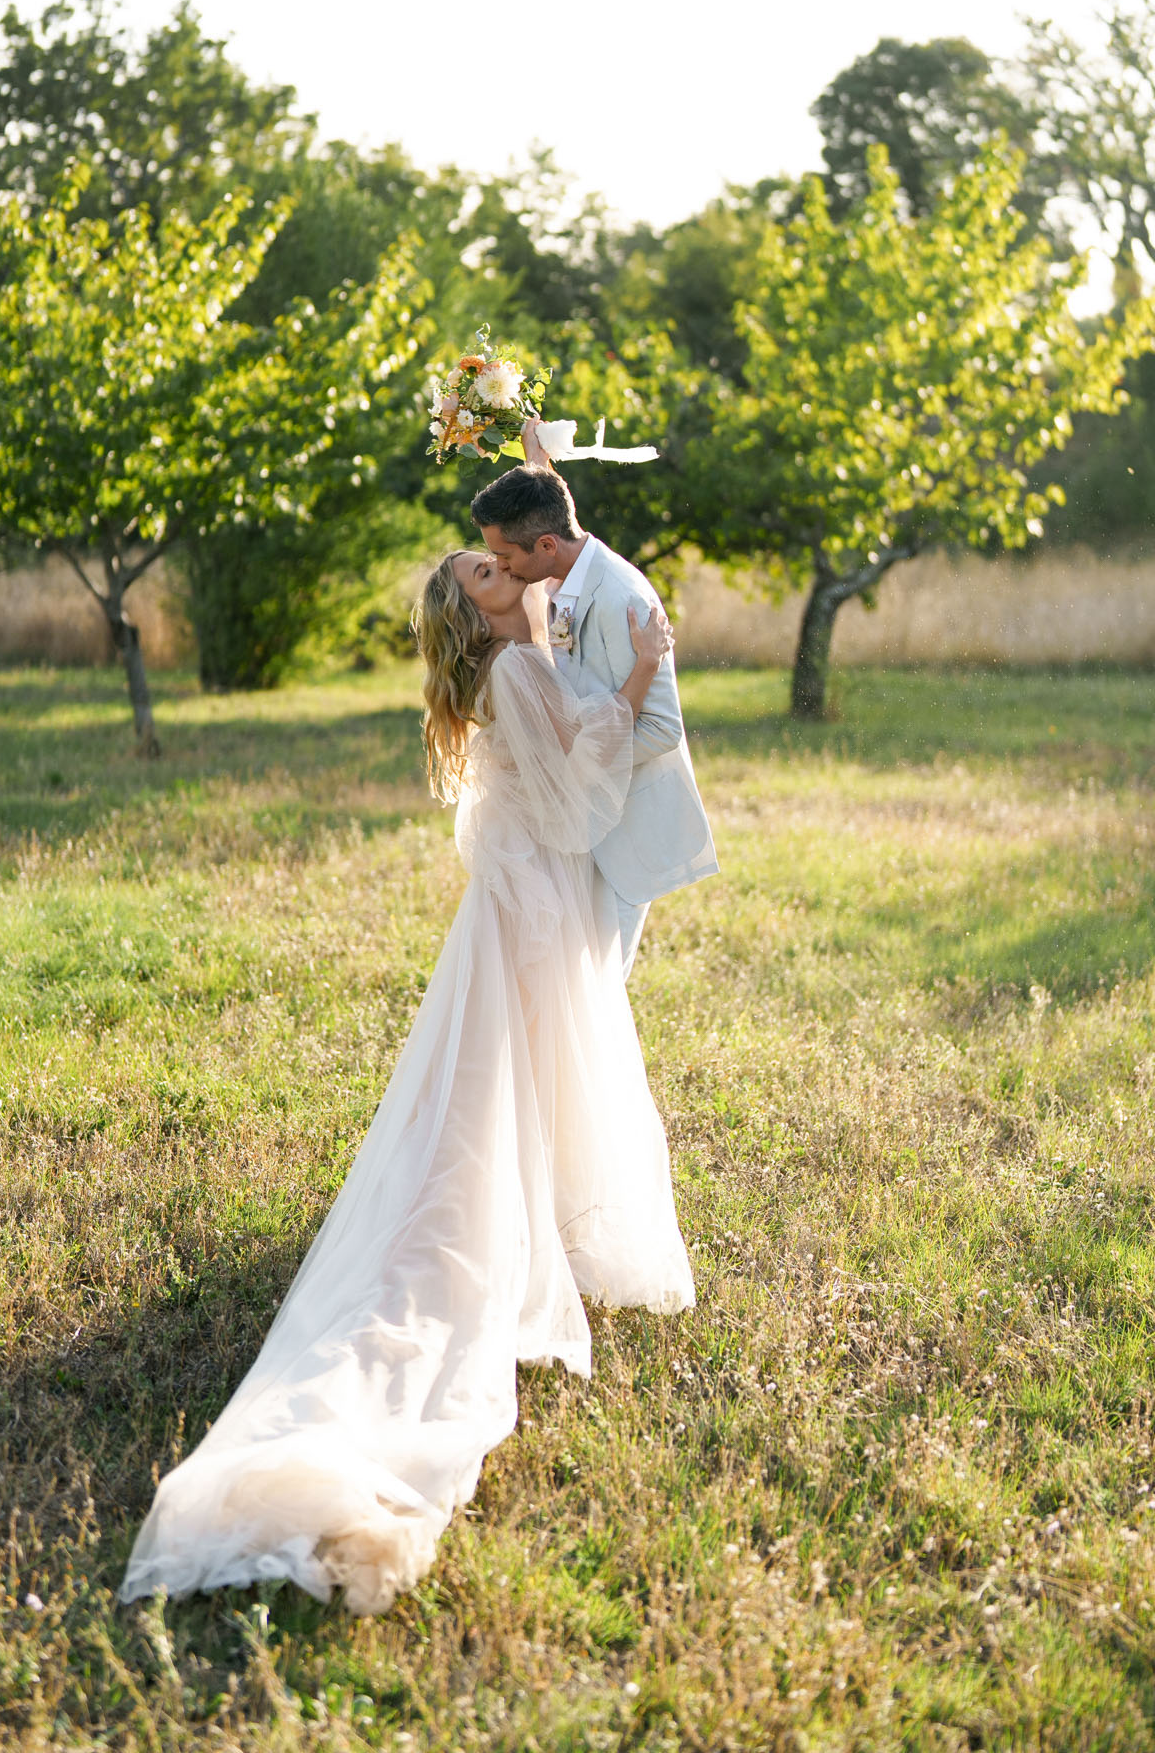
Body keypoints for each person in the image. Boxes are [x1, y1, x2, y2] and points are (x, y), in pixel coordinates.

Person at [119, 555, 695, 1616]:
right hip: (534, 897)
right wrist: (638, 674)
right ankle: (530, 1228)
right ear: (471, 607)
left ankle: (539, 1212)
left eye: (508, 553)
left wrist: (526, 442)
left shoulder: (517, 656)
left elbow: (546, 547)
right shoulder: (516, 674)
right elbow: (574, 804)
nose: (511, 567)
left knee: (510, 1076)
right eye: (489, 568)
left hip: (513, 897)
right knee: (527, 1071)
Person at [469, 423, 718, 978]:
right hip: (581, 827)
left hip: (624, 828)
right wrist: (533, 455)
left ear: (546, 546)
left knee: (599, 990)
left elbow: (662, 729)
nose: (501, 565)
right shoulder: (563, 571)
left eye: (502, 554)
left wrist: (567, 763)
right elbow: (550, 516)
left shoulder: (620, 602)